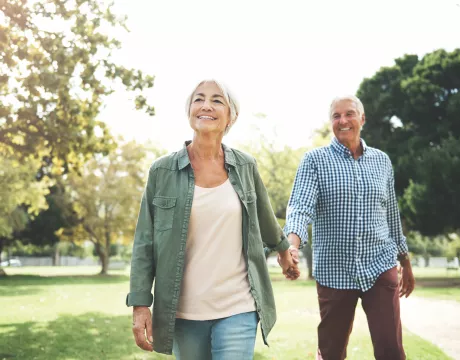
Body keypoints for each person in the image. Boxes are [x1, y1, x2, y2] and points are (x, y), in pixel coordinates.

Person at [126, 79, 300, 360]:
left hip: (238, 305)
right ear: (189, 112)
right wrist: (140, 304)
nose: (207, 105)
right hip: (183, 312)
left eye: (217, 100)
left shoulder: (245, 166)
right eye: (199, 99)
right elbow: (144, 243)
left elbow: (265, 219)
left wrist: (283, 251)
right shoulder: (162, 171)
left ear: (231, 116)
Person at [284, 95, 415, 360]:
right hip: (335, 270)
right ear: (331, 121)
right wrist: (291, 245)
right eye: (336, 116)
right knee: (332, 352)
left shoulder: (381, 161)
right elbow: (300, 207)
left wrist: (405, 261)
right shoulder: (314, 161)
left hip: (380, 265)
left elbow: (391, 214)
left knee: (391, 349)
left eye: (349, 114)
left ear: (362, 119)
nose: (343, 121)